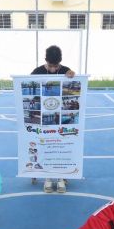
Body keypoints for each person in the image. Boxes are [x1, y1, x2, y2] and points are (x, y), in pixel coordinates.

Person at [31, 45, 76, 194]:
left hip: (60, 120)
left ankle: (62, 177)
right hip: (44, 120)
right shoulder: (36, 72)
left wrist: (72, 75)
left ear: (60, 63)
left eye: (55, 66)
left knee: (61, 146)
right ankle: (48, 177)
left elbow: (75, 84)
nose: (52, 69)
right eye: (50, 66)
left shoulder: (65, 71)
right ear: (45, 61)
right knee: (45, 145)